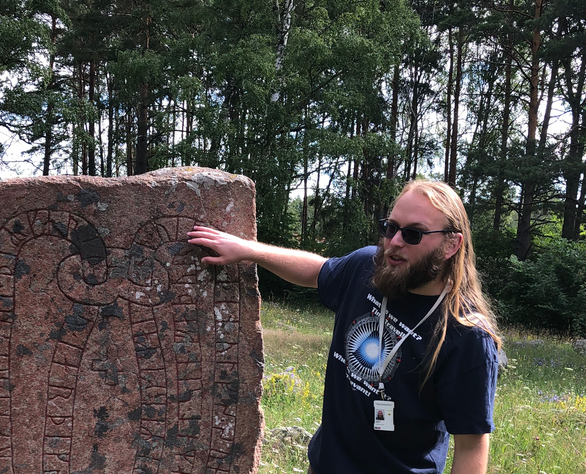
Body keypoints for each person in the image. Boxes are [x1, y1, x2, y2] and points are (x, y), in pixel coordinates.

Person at [187, 179, 501, 474]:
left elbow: (471, 445)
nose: (393, 242)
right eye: (390, 228)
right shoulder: (368, 267)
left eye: (413, 234)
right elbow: (317, 271)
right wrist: (247, 250)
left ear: (450, 245)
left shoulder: (466, 335)